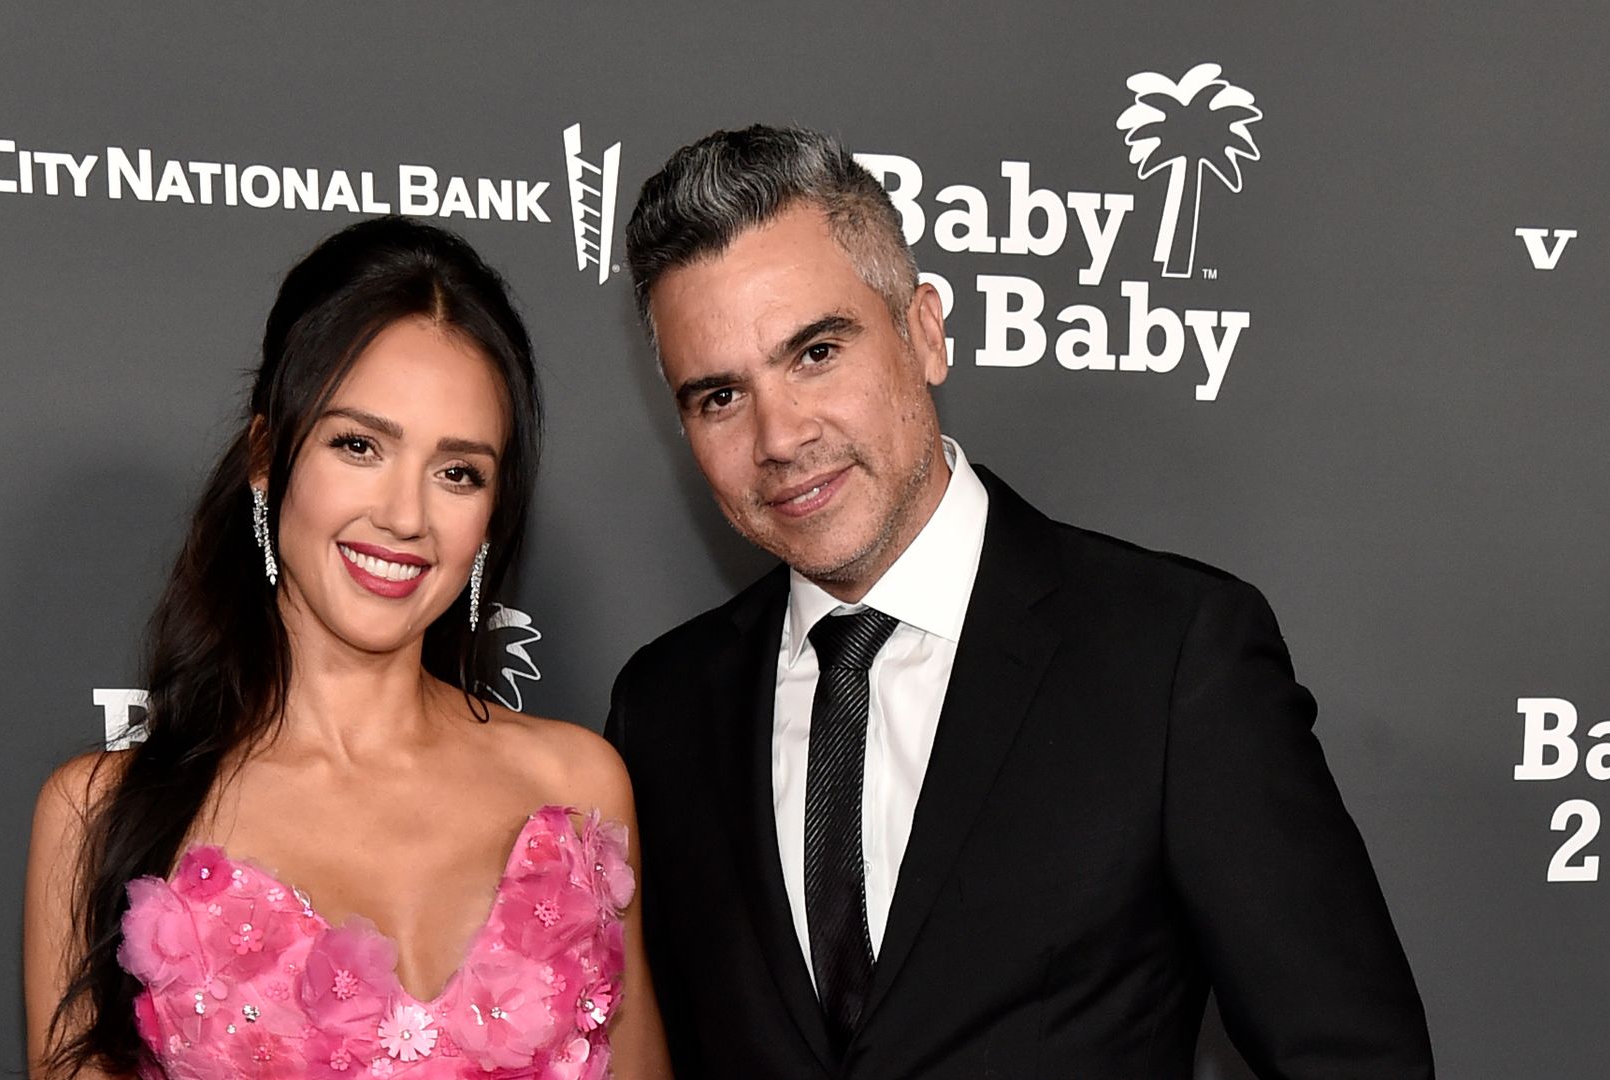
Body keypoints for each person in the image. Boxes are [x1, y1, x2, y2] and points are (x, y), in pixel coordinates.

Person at [605, 125, 1434, 1079]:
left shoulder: (1171, 658)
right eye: (718, 397)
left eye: (817, 352)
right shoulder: (662, 707)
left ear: (923, 332)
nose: (780, 435)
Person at [24, 217, 669, 1080]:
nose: (405, 516)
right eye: (358, 445)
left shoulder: (578, 791)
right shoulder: (102, 816)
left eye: (458, 471)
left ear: (492, 514)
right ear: (267, 456)